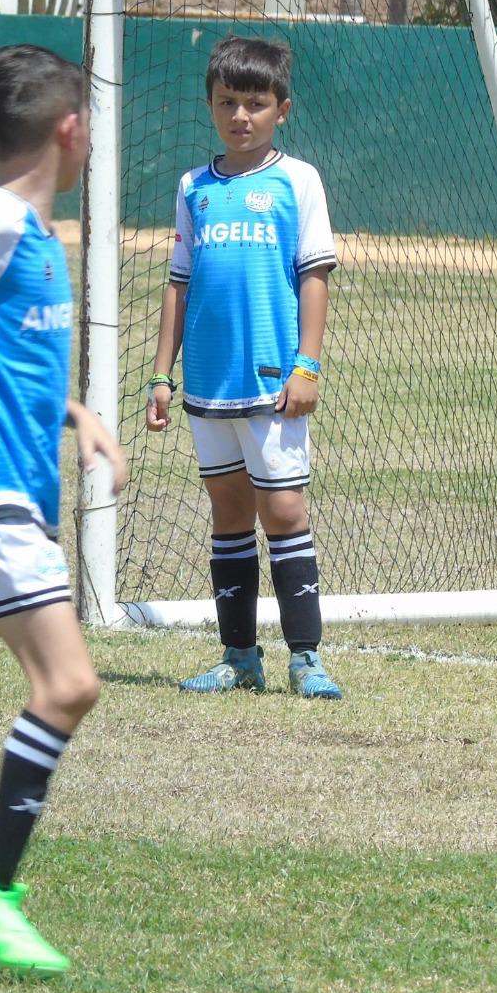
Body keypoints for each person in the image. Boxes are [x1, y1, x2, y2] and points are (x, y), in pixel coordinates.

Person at [0, 43, 129, 974]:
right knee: (68, 685)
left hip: (13, 499)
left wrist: (79, 414)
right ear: (71, 130)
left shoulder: (30, 236)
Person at [144, 36, 341, 699]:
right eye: (227, 102)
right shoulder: (193, 188)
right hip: (206, 382)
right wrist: (162, 376)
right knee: (228, 514)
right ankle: (239, 656)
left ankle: (306, 658)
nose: (241, 116)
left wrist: (306, 365)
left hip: (271, 382)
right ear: (210, 105)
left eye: (256, 104)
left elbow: (313, 277)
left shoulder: (297, 180)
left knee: (283, 510)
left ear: (281, 108)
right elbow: (179, 283)